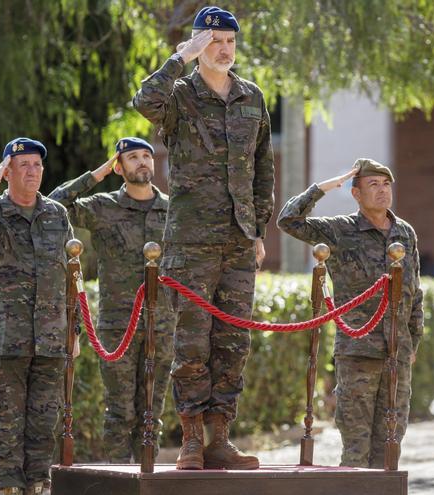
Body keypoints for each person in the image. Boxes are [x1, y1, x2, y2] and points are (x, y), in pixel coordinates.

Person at [132, 6, 274, 470]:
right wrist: (181, 56)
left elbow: (262, 168)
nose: (225, 49)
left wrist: (257, 229)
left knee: (233, 342)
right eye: (214, 41)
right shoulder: (179, 96)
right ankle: (191, 439)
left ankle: (220, 439)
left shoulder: (252, 97)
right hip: (191, 242)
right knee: (192, 343)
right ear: (198, 46)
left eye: (230, 41)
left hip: (238, 241)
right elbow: (143, 101)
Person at [276, 158, 424, 468]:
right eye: (373, 185)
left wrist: (414, 341)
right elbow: (288, 220)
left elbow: (414, 292)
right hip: (359, 352)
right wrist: (324, 187)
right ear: (356, 193)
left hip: (397, 352)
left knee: (391, 443)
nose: (383, 191)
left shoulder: (405, 233)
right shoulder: (340, 230)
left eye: (386, 185)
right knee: (356, 444)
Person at [0, 137, 73, 495]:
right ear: (8, 172)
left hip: (51, 339)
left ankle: (38, 486)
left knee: (43, 422)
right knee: (9, 424)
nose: (33, 172)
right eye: (23, 166)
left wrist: (75, 332)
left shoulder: (56, 214)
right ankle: (9, 489)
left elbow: (72, 276)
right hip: (9, 340)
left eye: (37, 165)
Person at [49, 137, 174, 463]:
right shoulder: (103, 207)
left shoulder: (171, 211)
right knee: (121, 412)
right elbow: (54, 205)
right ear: (119, 167)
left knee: (152, 413)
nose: (142, 162)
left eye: (146, 155)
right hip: (118, 325)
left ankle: (147, 478)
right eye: (132, 158)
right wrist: (97, 174)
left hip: (162, 324)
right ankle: (119, 480)